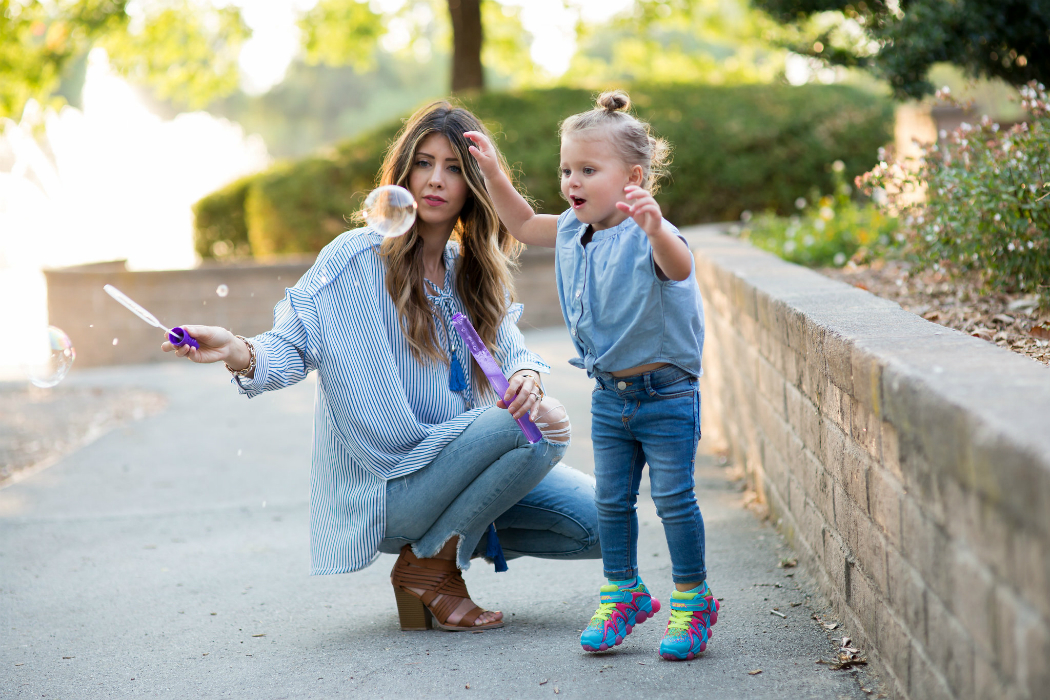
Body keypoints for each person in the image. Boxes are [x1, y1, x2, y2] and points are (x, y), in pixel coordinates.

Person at [163, 101, 600, 632]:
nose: (436, 180)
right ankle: (431, 566)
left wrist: (527, 376)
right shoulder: (356, 258)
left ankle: (435, 555)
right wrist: (234, 349)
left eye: (455, 168)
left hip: (463, 470)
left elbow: (512, 353)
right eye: (423, 163)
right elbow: (290, 346)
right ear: (404, 172)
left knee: (603, 525)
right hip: (391, 486)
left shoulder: (469, 271)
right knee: (543, 423)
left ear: (474, 186)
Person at [465, 90, 716, 659]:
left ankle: (694, 600)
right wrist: (495, 174)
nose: (571, 182)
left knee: (674, 499)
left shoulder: (651, 232)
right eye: (566, 170)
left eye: (587, 170)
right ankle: (622, 590)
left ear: (634, 177)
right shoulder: (574, 232)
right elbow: (525, 222)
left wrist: (654, 228)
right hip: (610, 396)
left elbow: (680, 267)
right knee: (612, 503)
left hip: (666, 393)